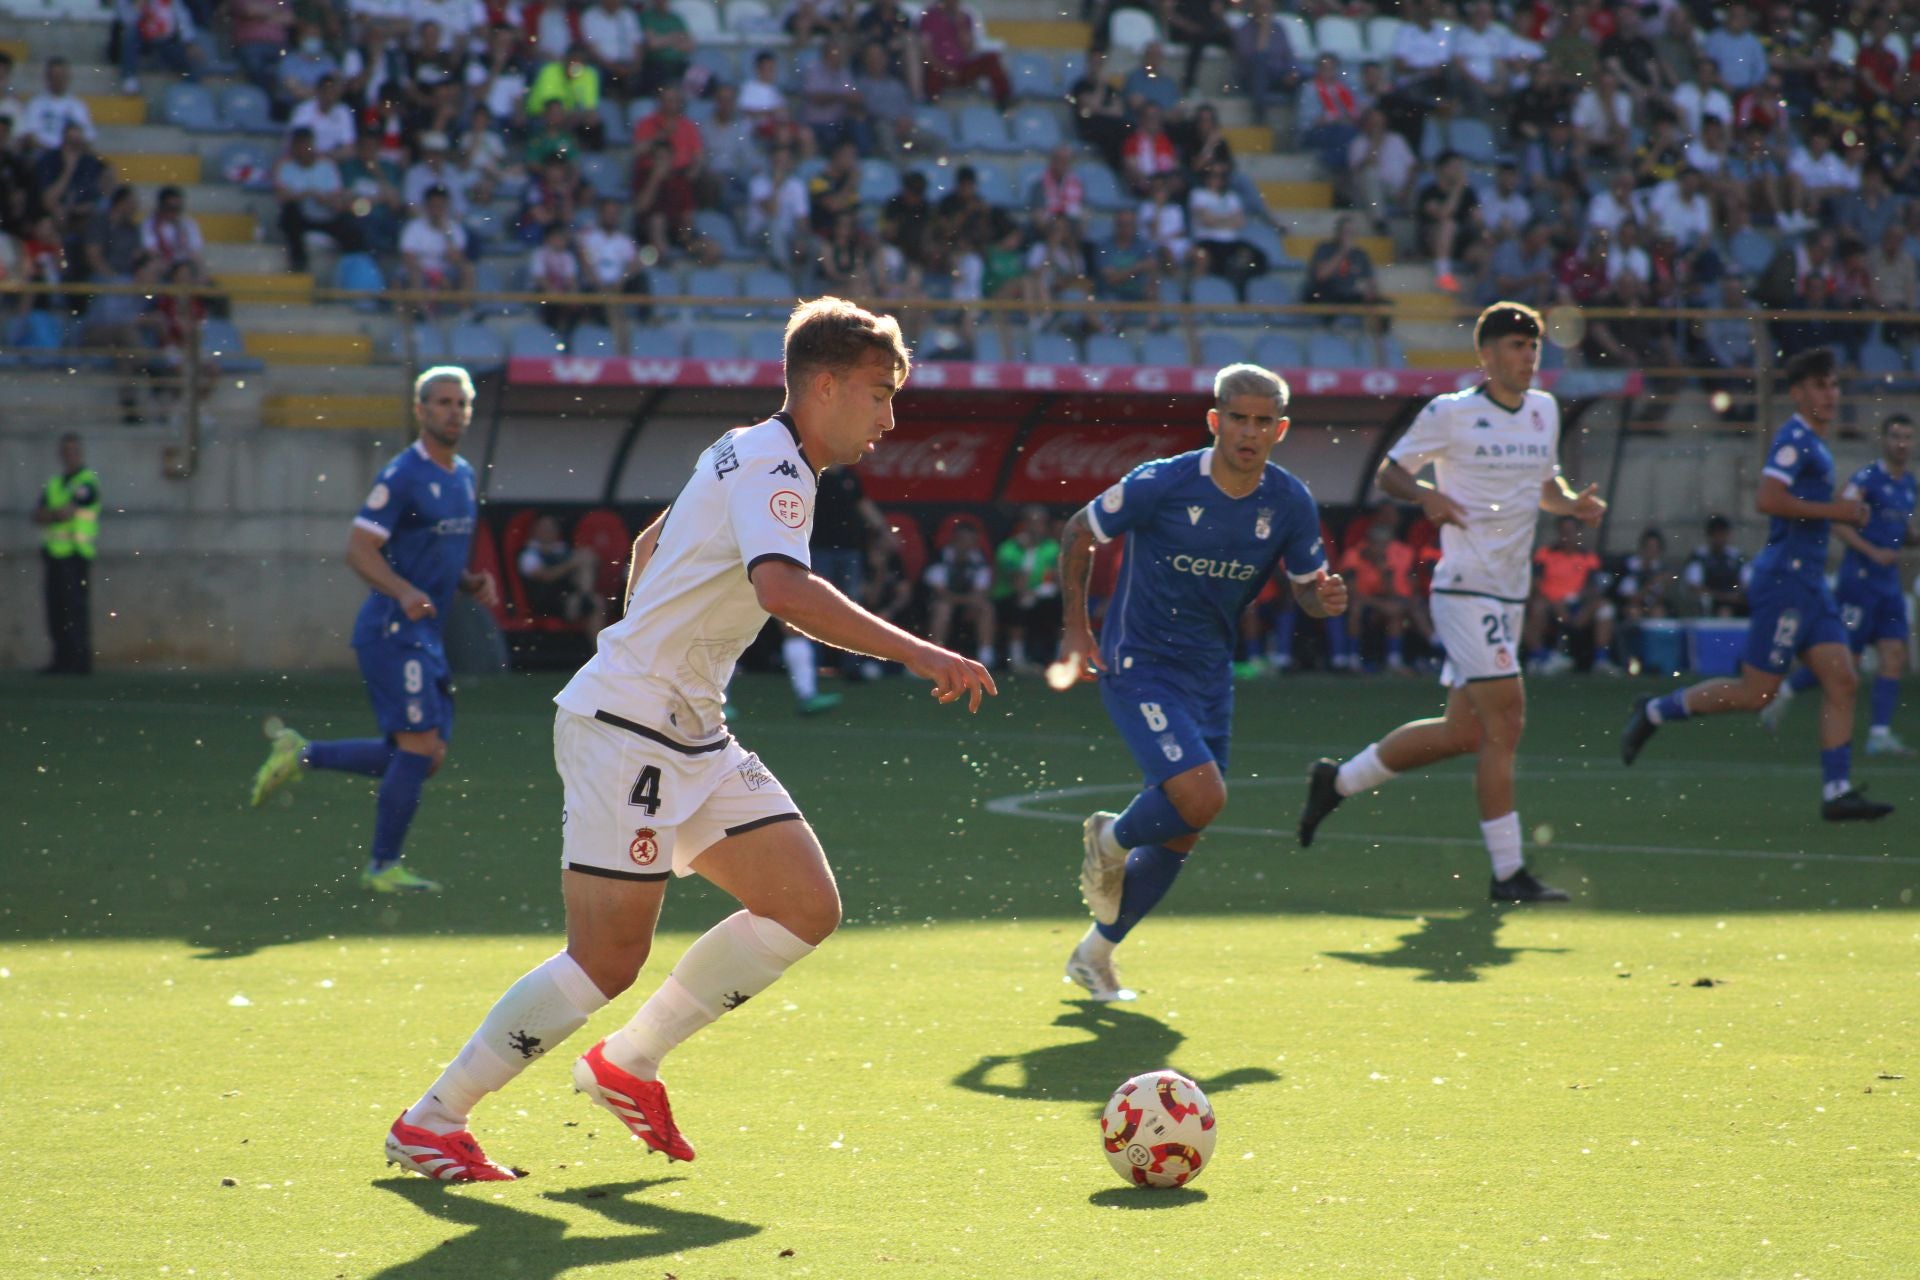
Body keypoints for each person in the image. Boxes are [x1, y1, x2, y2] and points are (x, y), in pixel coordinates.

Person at [380, 298, 994, 1183]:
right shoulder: (779, 469)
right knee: (606, 957)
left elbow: (652, 540)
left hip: (687, 732)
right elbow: (782, 590)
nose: (889, 419)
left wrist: (657, 645)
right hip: (629, 732)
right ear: (822, 386)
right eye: (876, 394)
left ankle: (625, 1064)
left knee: (804, 906)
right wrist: (917, 648)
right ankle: (432, 1121)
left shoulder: (745, 446)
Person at [1298, 302, 1607, 902]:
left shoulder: (1543, 412)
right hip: (1466, 587)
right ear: (1485, 356)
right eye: (1516, 347)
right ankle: (1508, 873)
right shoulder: (1453, 413)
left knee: (1463, 731)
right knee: (1507, 721)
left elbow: (1544, 485)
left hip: (1510, 591)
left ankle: (1335, 782)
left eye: (1533, 347)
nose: (1527, 357)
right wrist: (1425, 497)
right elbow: (1391, 473)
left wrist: (1571, 504)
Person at [1054, 364, 1344, 1000]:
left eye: (1263, 420)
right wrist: (1077, 630)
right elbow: (1079, 532)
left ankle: (1094, 954)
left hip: (1209, 674)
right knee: (1204, 797)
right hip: (1140, 665)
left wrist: (1325, 599)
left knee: (1185, 824)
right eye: (1237, 417)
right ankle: (1108, 838)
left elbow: (1308, 593)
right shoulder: (1163, 483)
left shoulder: (1288, 502)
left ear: (1280, 429)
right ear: (1215, 421)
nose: (1249, 430)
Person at [249, 368, 501, 891]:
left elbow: (436, 552)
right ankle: (382, 868)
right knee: (416, 747)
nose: (454, 411)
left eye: (462, 403)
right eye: (443, 402)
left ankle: (301, 754)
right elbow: (358, 549)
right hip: (392, 631)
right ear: (421, 410)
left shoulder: (462, 475)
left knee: (424, 755)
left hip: (425, 635)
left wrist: (469, 581)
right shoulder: (402, 474)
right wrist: (404, 591)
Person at [1620, 349, 1891, 822]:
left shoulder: (1817, 445)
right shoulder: (1794, 439)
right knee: (1756, 694)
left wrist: (1842, 510)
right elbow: (1767, 499)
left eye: (1833, 386)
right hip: (1784, 583)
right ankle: (1656, 711)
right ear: (1798, 393)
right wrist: (1838, 512)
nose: (1830, 395)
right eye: (1820, 386)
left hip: (1810, 585)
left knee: (1842, 678)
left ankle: (1837, 791)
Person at [1761, 413, 1918, 757]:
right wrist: (1871, 551)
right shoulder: (1866, 479)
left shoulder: (1909, 486)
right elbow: (1839, 522)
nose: (1902, 443)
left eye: (1908, 437)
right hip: (1858, 583)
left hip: (1889, 586)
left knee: (1894, 655)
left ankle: (1879, 734)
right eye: (1895, 436)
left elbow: (1901, 531)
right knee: (1846, 662)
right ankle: (1784, 691)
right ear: (1883, 440)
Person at [33, 433, 99, 676]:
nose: (69, 454)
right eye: (66, 450)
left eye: (73, 450)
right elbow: (38, 515)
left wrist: (52, 514)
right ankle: (61, 659)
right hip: (54, 554)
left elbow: (65, 512)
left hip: (76, 554)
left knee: (75, 610)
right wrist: (55, 514)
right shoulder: (55, 483)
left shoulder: (86, 482)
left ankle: (79, 662)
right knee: (57, 609)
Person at [1526, 514, 1614, 674]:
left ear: (1578, 532)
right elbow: (1536, 585)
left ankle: (1601, 659)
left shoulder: (1588, 557)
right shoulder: (1545, 554)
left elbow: (1593, 587)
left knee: (1605, 608)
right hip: (1550, 602)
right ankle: (1538, 657)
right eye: (1563, 531)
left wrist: (1584, 606)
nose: (1567, 536)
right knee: (1537, 606)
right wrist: (1554, 602)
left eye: (1571, 531)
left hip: (1577, 603)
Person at [519, 513, 610, 639]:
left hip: (572, 595)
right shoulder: (529, 555)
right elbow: (546, 576)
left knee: (596, 602)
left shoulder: (564, 550)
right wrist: (572, 564)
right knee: (584, 603)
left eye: (551, 528)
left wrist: (586, 560)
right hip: (547, 601)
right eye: (544, 528)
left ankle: (600, 653)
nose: (548, 532)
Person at [994, 506, 1062, 672]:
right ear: (1023, 525)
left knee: (1063, 605)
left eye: (1040, 523)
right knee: (1019, 604)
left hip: (1041, 596)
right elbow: (1017, 582)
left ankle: (1063, 658)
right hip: (1009, 597)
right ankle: (1017, 660)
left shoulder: (1052, 547)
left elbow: (1059, 579)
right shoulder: (1008, 548)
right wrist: (1029, 552)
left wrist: (1042, 590)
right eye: (1032, 523)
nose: (1036, 527)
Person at [924, 521, 998, 668]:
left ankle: (986, 655)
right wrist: (966, 600)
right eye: (962, 540)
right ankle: (935, 655)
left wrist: (969, 602)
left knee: (986, 608)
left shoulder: (980, 560)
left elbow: (981, 592)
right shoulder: (940, 557)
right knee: (943, 608)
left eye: (969, 541)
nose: (965, 545)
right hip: (939, 605)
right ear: (954, 540)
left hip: (968, 606)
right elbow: (941, 593)